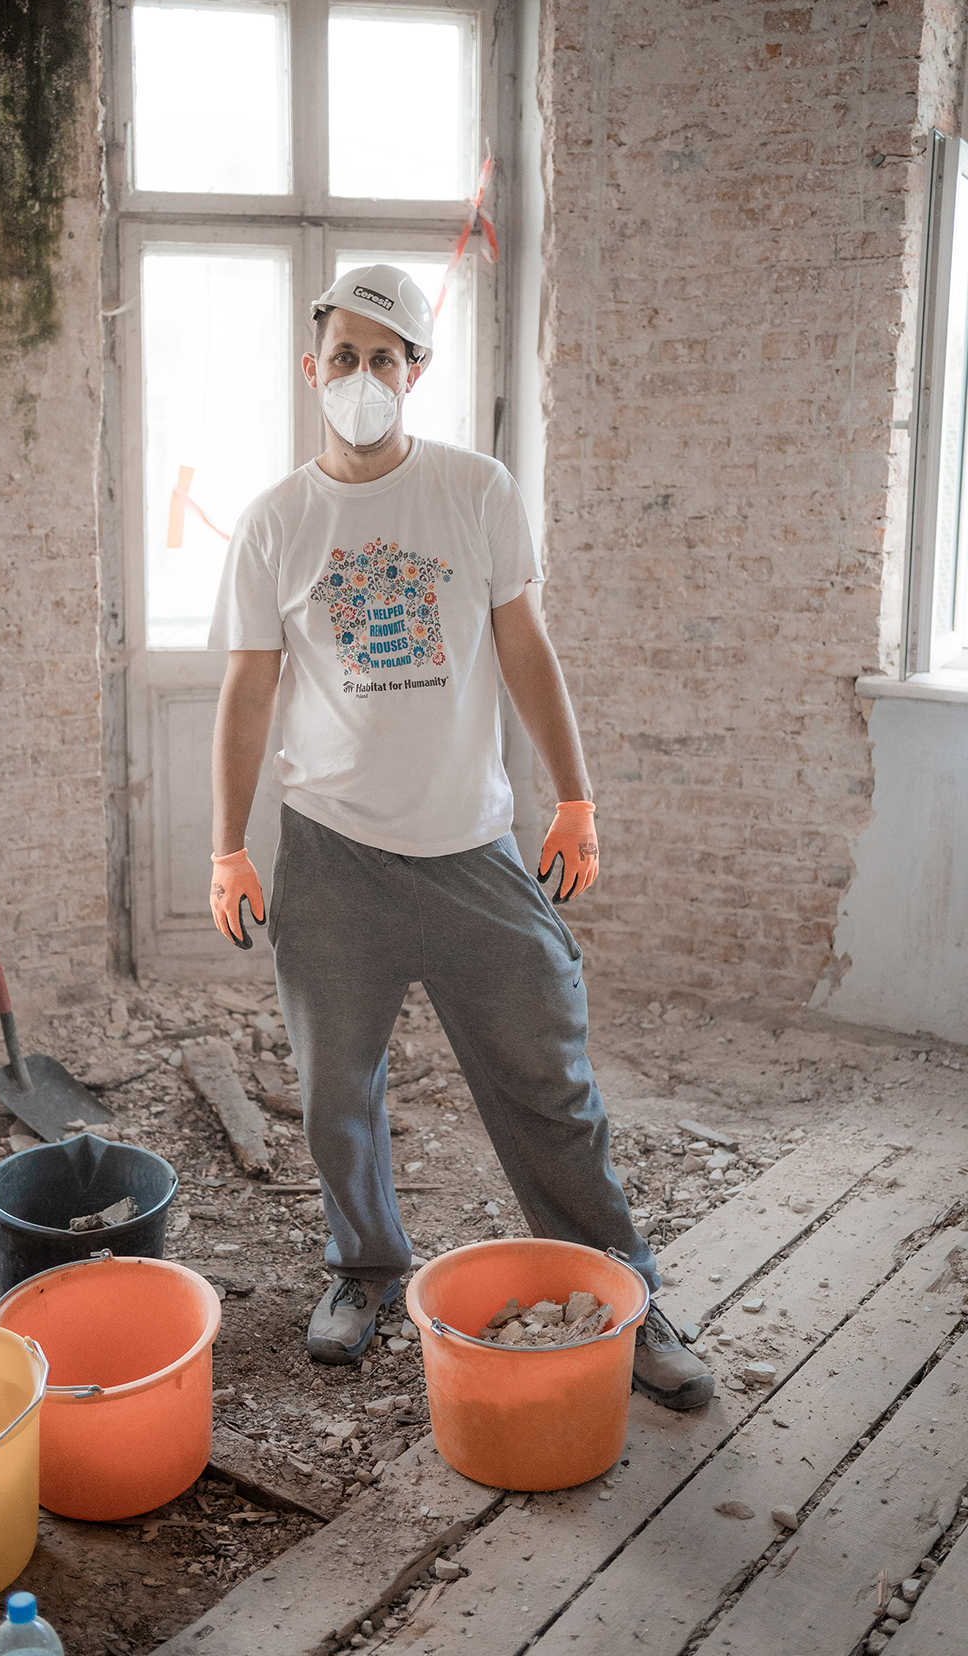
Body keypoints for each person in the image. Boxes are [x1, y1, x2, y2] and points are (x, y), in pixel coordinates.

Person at [207, 264, 713, 1411]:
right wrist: (229, 848)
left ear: (416, 373)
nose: (364, 378)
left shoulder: (476, 492)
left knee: (548, 1082)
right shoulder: (277, 523)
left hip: (473, 853)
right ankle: (365, 1270)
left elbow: (526, 649)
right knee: (337, 1091)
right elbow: (246, 693)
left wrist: (575, 799)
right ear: (313, 370)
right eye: (344, 357)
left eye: (386, 359)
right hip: (331, 857)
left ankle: (625, 1293)